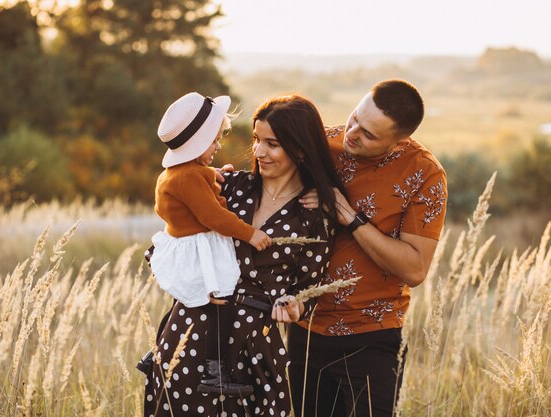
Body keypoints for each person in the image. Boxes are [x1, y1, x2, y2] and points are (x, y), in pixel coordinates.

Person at [143, 94, 345, 417]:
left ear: (301, 150)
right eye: (256, 139)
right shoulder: (231, 187)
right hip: (190, 333)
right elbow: (177, 218)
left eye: (272, 143)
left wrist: (296, 305)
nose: (259, 151)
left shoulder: (313, 215)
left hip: (255, 348)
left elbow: (309, 287)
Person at [290, 79, 448, 417]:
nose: (352, 133)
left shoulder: (424, 174)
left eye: (370, 134)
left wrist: (350, 216)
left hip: (372, 336)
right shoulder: (320, 144)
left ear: (398, 140)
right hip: (304, 327)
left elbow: (415, 268)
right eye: (355, 118)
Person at [146, 92, 272, 396]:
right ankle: (215, 369)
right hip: (200, 249)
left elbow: (192, 182)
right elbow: (213, 215)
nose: (218, 146)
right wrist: (249, 233)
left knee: (208, 300)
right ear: (198, 145)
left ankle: (169, 356)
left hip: (189, 244)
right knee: (221, 301)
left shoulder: (177, 173)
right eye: (214, 141)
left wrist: (213, 175)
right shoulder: (187, 178)